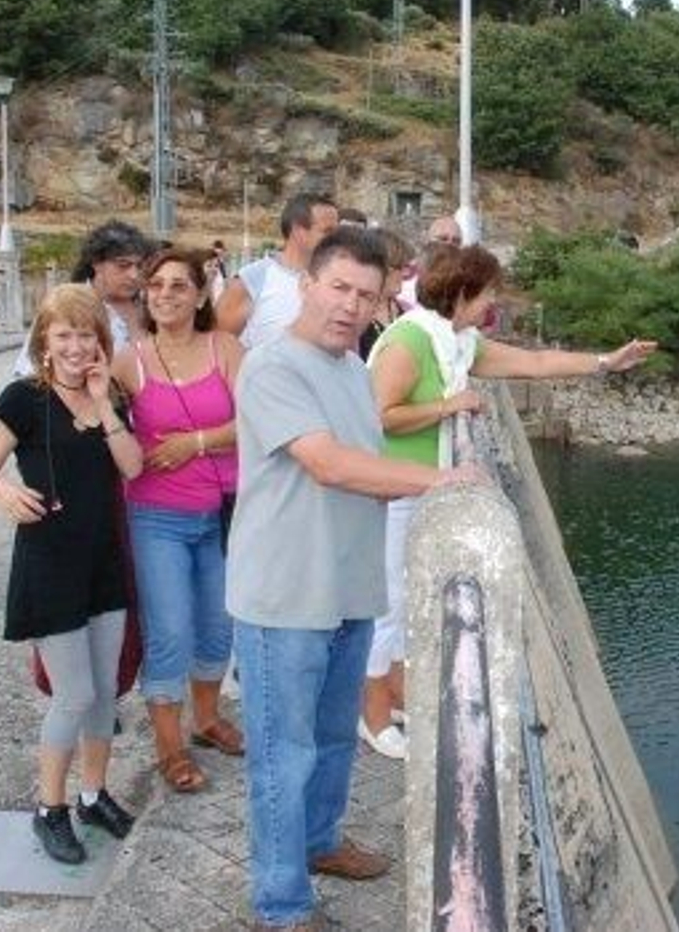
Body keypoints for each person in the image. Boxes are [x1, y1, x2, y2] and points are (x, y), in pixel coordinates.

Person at [228, 227, 480, 930]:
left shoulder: (349, 369)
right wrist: (443, 480)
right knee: (283, 755)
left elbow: (367, 467)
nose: (350, 305)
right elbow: (329, 464)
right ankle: (281, 904)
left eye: (366, 295)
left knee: (336, 736)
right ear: (307, 284)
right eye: (338, 287)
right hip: (283, 594)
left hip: (347, 587)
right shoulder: (273, 367)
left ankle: (320, 841)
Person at [361, 245, 656, 758]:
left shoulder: (457, 341)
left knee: (406, 598)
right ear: (461, 294)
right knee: (386, 605)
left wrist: (607, 362)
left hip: (423, 486)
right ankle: (373, 716)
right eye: (488, 293)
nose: (492, 302)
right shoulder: (409, 343)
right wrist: (448, 405)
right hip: (391, 490)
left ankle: (398, 692)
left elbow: (535, 363)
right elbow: (378, 415)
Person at [0, 285, 145, 864]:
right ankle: (50, 807)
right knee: (73, 694)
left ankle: (93, 795)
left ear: (101, 342)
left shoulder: (109, 396)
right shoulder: (23, 398)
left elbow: (133, 467)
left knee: (105, 692)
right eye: (63, 335)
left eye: (85, 335)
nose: (74, 346)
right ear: (44, 340)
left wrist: (104, 404)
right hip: (49, 565)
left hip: (103, 563)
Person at [111, 247, 244, 794]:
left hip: (225, 512)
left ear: (200, 294)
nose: (165, 295)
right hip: (156, 515)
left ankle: (206, 719)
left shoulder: (226, 348)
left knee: (219, 623)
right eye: (156, 285)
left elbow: (258, 416)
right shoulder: (129, 361)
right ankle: (169, 745)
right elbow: (93, 414)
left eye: (179, 286)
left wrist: (196, 442)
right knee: (170, 630)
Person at [13, 220, 154, 376]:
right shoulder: (64, 305)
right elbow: (28, 371)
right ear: (97, 264)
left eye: (139, 266)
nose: (134, 275)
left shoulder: (153, 306)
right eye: (123, 265)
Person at [213, 193, 340, 347]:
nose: (336, 240)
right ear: (298, 230)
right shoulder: (253, 279)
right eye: (327, 231)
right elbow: (217, 345)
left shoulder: (339, 281)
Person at [358, 229, 413, 360]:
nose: (406, 274)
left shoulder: (407, 310)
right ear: (380, 268)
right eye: (400, 267)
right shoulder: (354, 313)